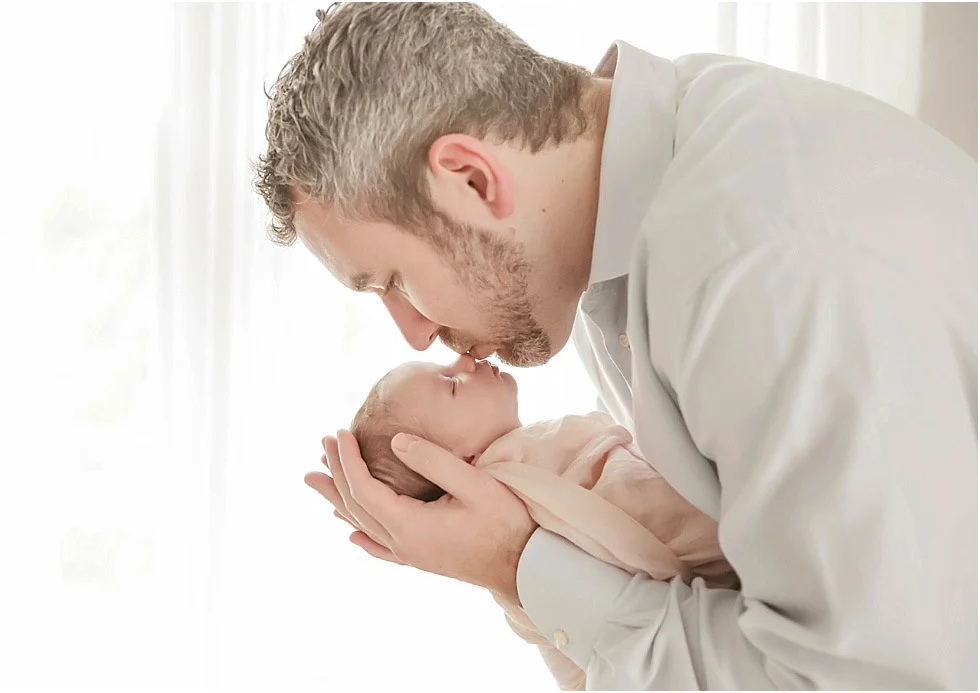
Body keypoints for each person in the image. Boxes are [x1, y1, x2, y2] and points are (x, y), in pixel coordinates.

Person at [255, 3, 976, 689]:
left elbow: (864, 679)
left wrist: (515, 562)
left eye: (394, 281)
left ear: (472, 179)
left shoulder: (758, 264)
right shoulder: (608, 247)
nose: (412, 333)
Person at [350, 353, 734, 690]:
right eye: (451, 384)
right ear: (459, 463)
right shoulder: (521, 474)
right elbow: (639, 513)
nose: (465, 360)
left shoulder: (530, 468)